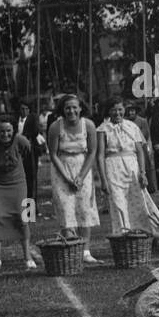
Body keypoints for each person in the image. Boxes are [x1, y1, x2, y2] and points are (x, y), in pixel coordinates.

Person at [47, 94, 101, 263]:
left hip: (82, 168)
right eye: (67, 107)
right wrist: (67, 178)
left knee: (84, 208)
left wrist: (81, 177)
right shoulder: (56, 127)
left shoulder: (89, 125)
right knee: (66, 209)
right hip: (61, 169)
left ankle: (85, 251)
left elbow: (92, 152)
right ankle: (71, 248)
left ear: (80, 108)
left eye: (74, 107)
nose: (71, 110)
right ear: (62, 110)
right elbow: (53, 154)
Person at [0, 115, 37, 271]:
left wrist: (32, 193)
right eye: (1, 131)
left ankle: (28, 257)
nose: (5, 134)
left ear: (13, 130)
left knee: (24, 217)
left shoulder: (21, 141)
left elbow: (28, 159)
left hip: (18, 182)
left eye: (8, 131)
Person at [95, 97, 150, 234]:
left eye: (120, 109)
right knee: (118, 202)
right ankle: (123, 235)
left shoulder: (132, 127)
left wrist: (142, 173)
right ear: (108, 111)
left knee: (138, 201)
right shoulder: (103, 129)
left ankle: (142, 233)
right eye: (114, 110)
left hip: (132, 167)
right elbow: (100, 155)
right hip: (113, 168)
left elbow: (140, 151)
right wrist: (103, 179)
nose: (117, 113)